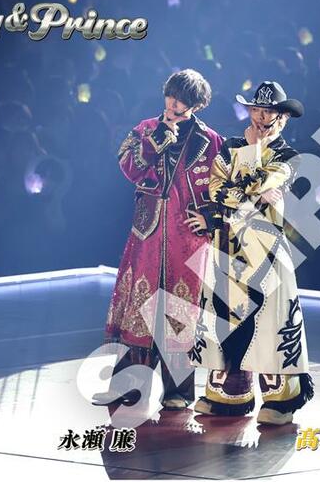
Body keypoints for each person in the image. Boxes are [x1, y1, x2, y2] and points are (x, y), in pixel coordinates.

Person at [95, 69, 223, 410]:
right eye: (170, 96)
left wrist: (210, 217)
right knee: (140, 308)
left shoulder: (211, 140)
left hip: (188, 238)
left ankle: (178, 391)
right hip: (147, 233)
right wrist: (156, 141)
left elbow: (224, 186)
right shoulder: (145, 129)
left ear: (196, 105)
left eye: (181, 100)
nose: (173, 104)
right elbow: (128, 167)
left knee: (180, 311)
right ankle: (127, 386)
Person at [188, 81, 314, 425]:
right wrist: (248, 192)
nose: (260, 117)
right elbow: (216, 189)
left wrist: (252, 159)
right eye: (256, 109)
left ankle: (281, 399)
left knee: (268, 321)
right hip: (227, 244)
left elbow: (257, 185)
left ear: (282, 118)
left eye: (268, 111)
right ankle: (230, 393)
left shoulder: (288, 157)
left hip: (265, 248)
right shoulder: (229, 147)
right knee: (225, 319)